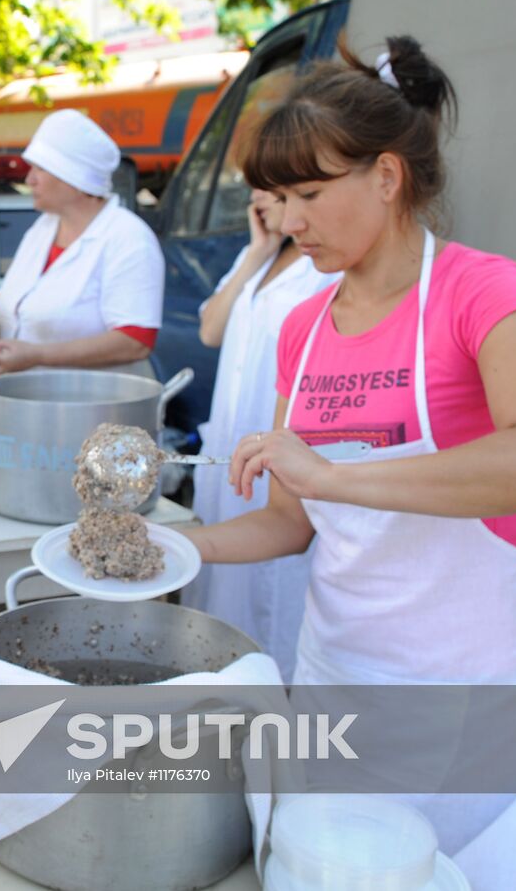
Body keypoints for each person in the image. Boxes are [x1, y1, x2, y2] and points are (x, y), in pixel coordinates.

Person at [184, 37, 516, 891]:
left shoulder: (482, 292)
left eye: (308, 194)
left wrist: (334, 474)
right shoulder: (307, 326)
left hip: (468, 697)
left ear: (386, 176)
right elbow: (294, 521)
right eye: (280, 198)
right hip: (339, 683)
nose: (289, 222)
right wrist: (180, 548)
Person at [179, 188, 337, 678]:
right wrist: (257, 251)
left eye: (271, 187)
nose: (257, 198)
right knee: (217, 603)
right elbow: (210, 329)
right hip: (229, 449)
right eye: (254, 186)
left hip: (283, 461)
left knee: (271, 603)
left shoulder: (327, 263)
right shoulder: (264, 255)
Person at [0, 109, 164, 374]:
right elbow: (16, 297)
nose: (29, 180)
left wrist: (38, 355)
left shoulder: (128, 238)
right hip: (31, 400)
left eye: (41, 169)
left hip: (94, 407)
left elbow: (134, 341)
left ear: (74, 178)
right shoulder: (44, 228)